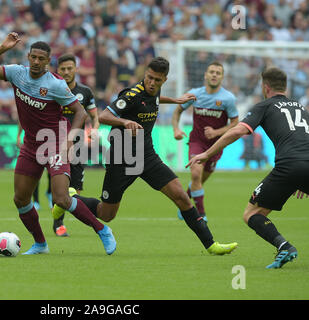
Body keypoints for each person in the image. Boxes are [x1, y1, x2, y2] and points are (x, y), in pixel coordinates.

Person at [60, 57, 238, 255]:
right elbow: (104, 116)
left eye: (157, 80)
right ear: (145, 74)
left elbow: (152, 99)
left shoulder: (155, 89)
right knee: (106, 214)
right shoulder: (131, 94)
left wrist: (174, 100)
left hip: (146, 156)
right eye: (149, 78)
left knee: (181, 196)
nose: (152, 83)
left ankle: (211, 244)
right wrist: (125, 122)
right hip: (121, 158)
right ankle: (69, 200)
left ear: (164, 80)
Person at [0, 33, 116, 255]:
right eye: (33, 57)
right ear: (28, 56)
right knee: (20, 199)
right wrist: (3, 47)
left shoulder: (55, 85)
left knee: (61, 197)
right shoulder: (16, 73)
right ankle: (41, 244)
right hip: (32, 145)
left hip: (55, 142)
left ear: (48, 62)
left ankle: (102, 229)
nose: (36, 62)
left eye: (41, 59)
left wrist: (69, 141)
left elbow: (80, 114)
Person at [187, 67, 309, 268]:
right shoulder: (301, 108)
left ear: (265, 86)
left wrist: (207, 153)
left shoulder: (265, 106)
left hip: (288, 166)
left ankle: (284, 246)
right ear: (285, 87)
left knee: (252, 214)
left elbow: (238, 131)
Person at [172, 61, 239, 221]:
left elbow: (235, 123)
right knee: (195, 174)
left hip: (216, 146)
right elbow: (177, 111)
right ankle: (200, 214)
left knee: (199, 180)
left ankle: (184, 206)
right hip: (196, 142)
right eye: (212, 72)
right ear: (205, 75)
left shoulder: (228, 98)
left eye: (218, 72)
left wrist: (216, 132)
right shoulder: (195, 94)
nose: (214, 75)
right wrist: (176, 129)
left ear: (222, 77)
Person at [51, 53, 100, 237]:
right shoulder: (51, 90)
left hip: (78, 146)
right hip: (54, 143)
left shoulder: (85, 93)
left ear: (76, 69)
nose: (66, 72)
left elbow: (95, 116)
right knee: (59, 188)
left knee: (76, 190)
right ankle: (58, 224)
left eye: (69, 68)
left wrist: (94, 129)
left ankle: (59, 216)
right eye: (63, 69)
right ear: (58, 70)